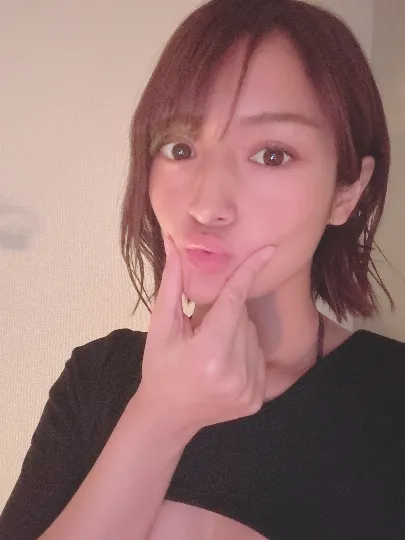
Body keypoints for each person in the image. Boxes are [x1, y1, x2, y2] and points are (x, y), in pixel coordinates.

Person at [1, 0, 404, 538]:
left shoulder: (390, 401)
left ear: (346, 191)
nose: (207, 205)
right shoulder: (96, 378)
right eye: (180, 147)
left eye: (272, 155)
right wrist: (159, 417)